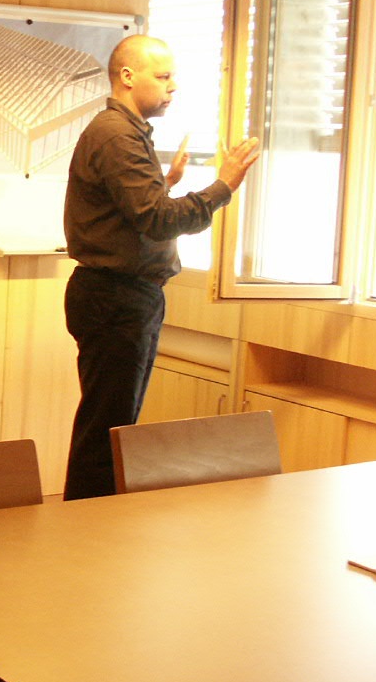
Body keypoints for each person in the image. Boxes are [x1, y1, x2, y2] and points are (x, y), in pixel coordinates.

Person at [62, 33, 260, 501]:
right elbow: (158, 220)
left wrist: (166, 182)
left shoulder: (125, 132)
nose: (173, 87)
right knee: (108, 432)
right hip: (116, 297)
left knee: (112, 426)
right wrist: (223, 186)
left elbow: (133, 213)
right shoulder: (117, 135)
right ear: (128, 77)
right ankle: (87, 527)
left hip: (120, 295)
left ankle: (92, 525)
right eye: (164, 76)